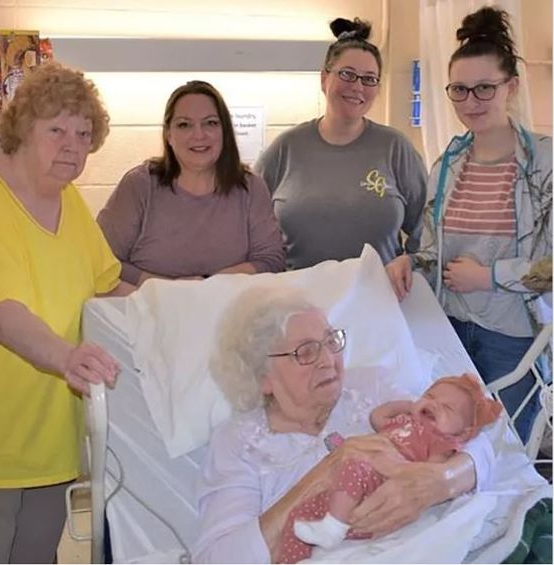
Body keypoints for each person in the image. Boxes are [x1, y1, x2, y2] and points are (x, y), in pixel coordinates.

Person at [0, 62, 133, 563]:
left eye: (83, 133)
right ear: (21, 128)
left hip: (50, 446)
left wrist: (178, 301)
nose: (72, 145)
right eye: (56, 129)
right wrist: (68, 357)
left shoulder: (68, 200)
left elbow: (110, 285)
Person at [193, 287, 496, 563]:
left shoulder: (371, 386)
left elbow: (473, 437)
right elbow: (218, 558)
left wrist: (442, 479)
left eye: (330, 341)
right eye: (306, 352)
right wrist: (327, 471)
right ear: (263, 377)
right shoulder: (237, 443)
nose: (328, 359)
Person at [385, 6, 552, 444]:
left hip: (513, 338)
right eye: (459, 90)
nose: (470, 103)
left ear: (511, 87)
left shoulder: (545, 165)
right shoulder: (447, 166)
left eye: (484, 89)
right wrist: (410, 261)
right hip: (450, 331)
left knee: (508, 452)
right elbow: (435, 250)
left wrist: (489, 277)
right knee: (448, 451)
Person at [254, 17, 427, 270]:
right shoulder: (284, 150)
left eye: (369, 79)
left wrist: (411, 266)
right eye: (347, 74)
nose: (357, 86)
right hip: (299, 302)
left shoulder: (395, 149)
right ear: (324, 79)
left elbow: (427, 231)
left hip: (379, 300)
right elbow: (249, 231)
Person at [282, 374, 502, 563]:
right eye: (430, 396)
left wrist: (394, 466)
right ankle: (292, 560)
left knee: (354, 464)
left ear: (463, 432)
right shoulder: (404, 421)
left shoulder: (441, 441)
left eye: (446, 408)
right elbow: (377, 417)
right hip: (350, 484)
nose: (433, 404)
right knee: (299, 514)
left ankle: (333, 526)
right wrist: (411, 405)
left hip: (379, 486)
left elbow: (425, 475)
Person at [97, 80, 285, 284]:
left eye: (210, 123)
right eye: (184, 125)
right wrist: (169, 289)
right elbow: (101, 260)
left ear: (225, 131)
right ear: (168, 134)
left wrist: (210, 285)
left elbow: (272, 261)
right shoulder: (139, 185)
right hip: (151, 311)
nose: (199, 135)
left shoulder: (251, 188)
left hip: (232, 312)